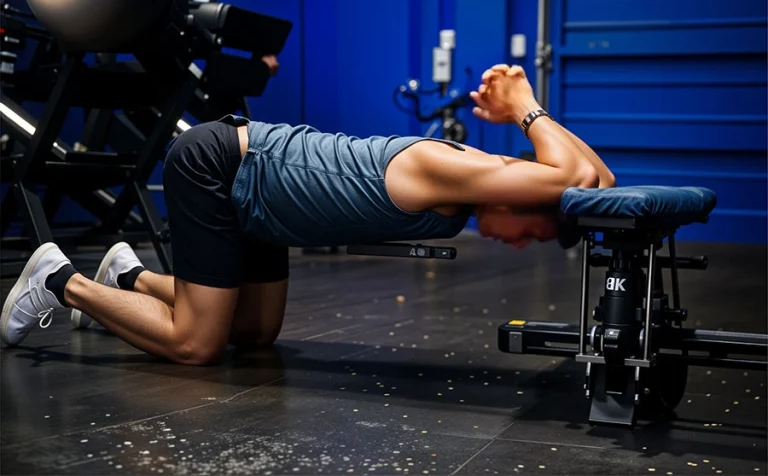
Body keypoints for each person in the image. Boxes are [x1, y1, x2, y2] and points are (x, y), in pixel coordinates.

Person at [1, 64, 615, 364]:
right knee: (197, 344)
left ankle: (127, 278)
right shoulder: (458, 169)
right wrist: (527, 105)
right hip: (224, 167)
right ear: (519, 193)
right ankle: (59, 280)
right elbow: (569, 175)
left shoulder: (483, 185)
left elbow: (598, 179)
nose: (515, 245)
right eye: (528, 235)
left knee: (254, 333)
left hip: (267, 205)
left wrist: (533, 120)